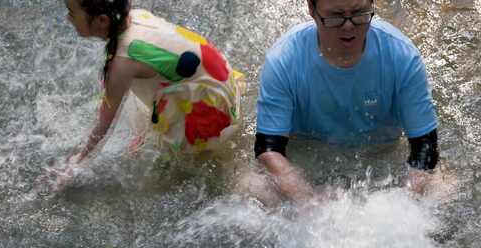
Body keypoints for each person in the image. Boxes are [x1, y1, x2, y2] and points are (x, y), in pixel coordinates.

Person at [250, 0, 444, 203]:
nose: (349, 25)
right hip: (306, 160)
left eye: (360, 13)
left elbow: (425, 147)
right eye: (335, 16)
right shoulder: (283, 59)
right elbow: (268, 149)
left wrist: (402, 205)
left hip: (380, 157)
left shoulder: (402, 56)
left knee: (443, 190)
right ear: (311, 9)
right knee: (252, 187)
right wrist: (308, 201)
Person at [50, 0, 243, 187]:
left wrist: (76, 164)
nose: (68, 18)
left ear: (102, 21)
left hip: (210, 109)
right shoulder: (136, 16)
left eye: (71, 12)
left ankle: (235, 177)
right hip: (219, 79)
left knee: (194, 169)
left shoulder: (122, 63)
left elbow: (104, 128)